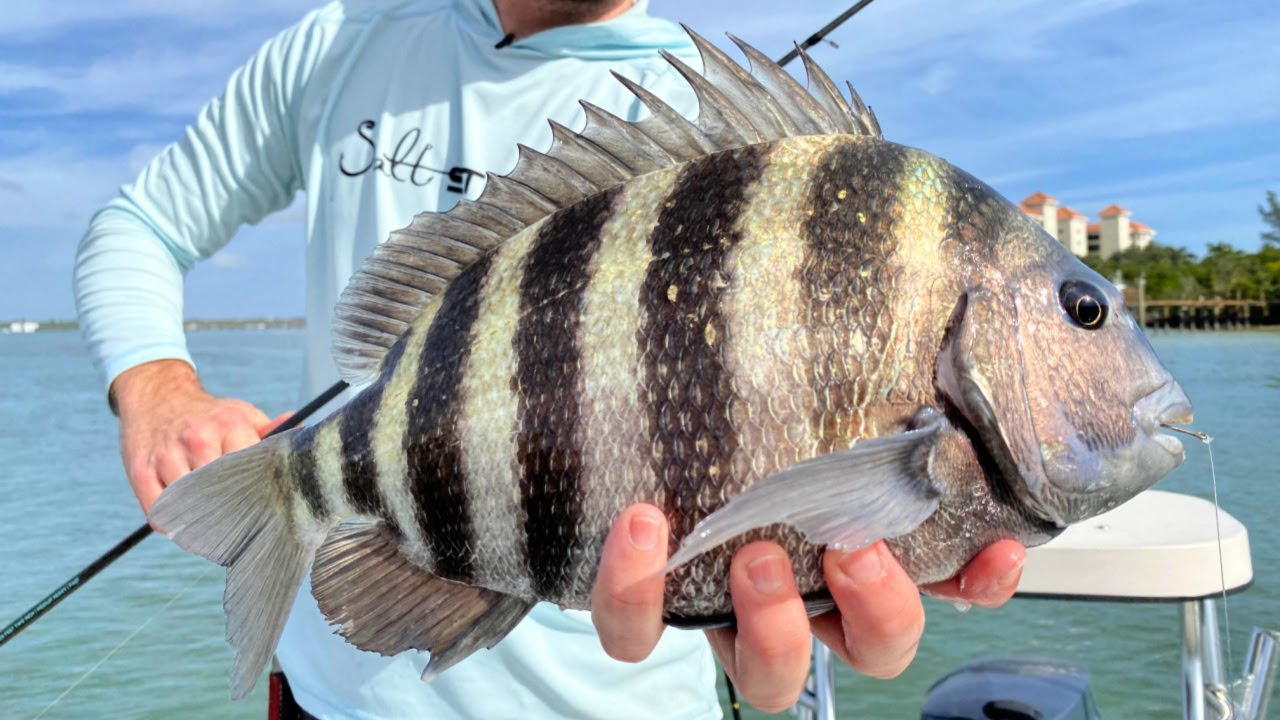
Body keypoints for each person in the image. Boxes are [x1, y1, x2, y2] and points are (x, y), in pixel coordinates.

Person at [74, 0, 1026, 717]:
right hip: (347, 692)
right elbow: (140, 223)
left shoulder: (724, 119)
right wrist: (156, 383)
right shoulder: (340, 42)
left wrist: (812, 580)